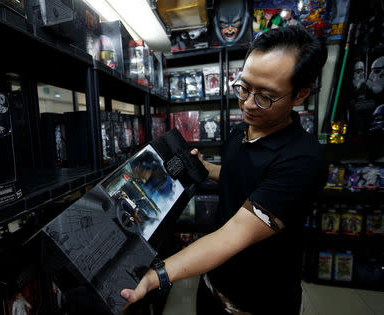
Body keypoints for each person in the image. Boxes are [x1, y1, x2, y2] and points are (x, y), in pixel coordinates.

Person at [120, 25, 328, 315]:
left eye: (265, 96)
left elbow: (233, 235)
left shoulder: (303, 160)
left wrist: (157, 275)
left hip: (258, 304)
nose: (247, 103)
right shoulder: (242, 130)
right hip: (213, 287)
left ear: (300, 95)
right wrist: (204, 168)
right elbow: (240, 176)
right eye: (244, 87)